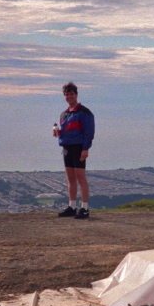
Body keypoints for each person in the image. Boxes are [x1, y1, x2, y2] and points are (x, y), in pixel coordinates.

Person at [54, 81, 95, 219]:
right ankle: (72, 206)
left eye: (71, 94)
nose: (69, 96)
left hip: (78, 147)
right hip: (66, 147)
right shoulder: (64, 114)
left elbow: (89, 131)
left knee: (80, 178)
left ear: (76, 95)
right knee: (70, 178)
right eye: (66, 94)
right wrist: (58, 134)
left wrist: (85, 148)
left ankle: (84, 208)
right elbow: (67, 130)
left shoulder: (84, 112)